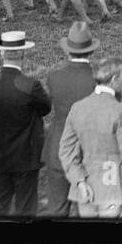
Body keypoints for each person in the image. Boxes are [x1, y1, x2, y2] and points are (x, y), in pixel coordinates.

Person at [58, 55, 122, 220]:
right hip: (113, 188)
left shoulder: (77, 108)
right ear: (113, 79)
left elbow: (66, 150)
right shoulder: (120, 111)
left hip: (85, 189)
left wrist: (79, 181)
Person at [0, 31, 52, 217]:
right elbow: (45, 108)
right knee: (26, 207)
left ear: (1, 54)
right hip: (26, 157)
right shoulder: (31, 85)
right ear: (23, 54)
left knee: (0, 206)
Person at [42, 22, 99, 216]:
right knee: (89, 208)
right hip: (89, 155)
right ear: (90, 51)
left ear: (68, 51)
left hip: (58, 149)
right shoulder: (98, 80)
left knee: (56, 209)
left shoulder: (54, 77)